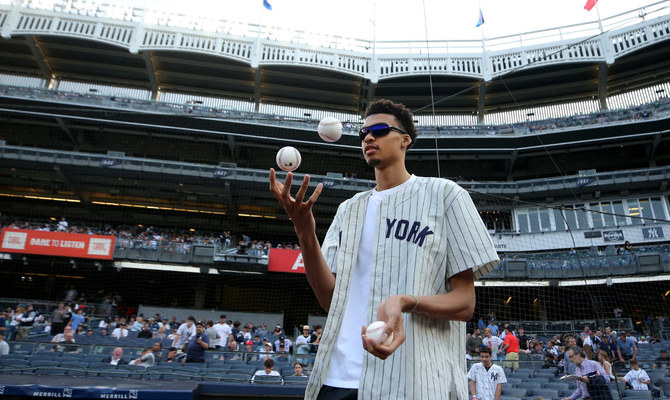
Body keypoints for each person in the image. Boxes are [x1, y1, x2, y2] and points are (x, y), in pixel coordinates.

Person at [269, 99, 499, 399]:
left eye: (378, 130)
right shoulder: (348, 210)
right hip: (336, 378)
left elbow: (465, 303)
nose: (368, 137)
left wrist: (406, 301)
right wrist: (305, 231)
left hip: (411, 382)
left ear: (406, 140)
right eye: (364, 132)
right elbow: (331, 301)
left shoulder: (445, 196)